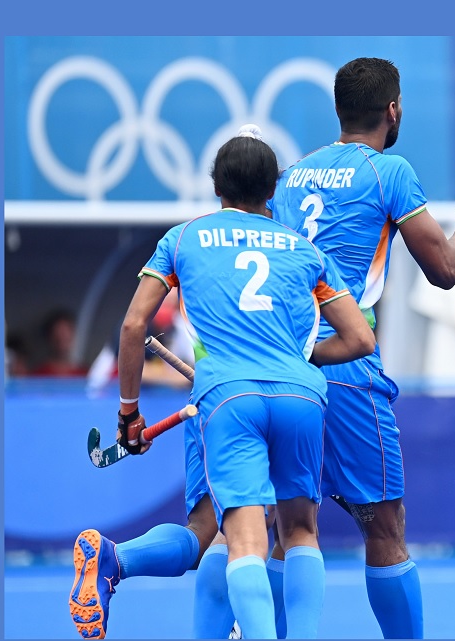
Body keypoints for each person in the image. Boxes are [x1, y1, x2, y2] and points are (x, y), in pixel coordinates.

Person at [191, 57, 455, 639]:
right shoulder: (388, 171)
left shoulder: (288, 176)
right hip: (345, 366)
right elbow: (444, 269)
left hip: (275, 366)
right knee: (385, 529)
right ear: (393, 111)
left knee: (259, 528)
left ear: (338, 112)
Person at [69, 128, 376, 639]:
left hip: (223, 402)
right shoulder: (303, 249)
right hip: (299, 394)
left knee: (231, 537)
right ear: (273, 191)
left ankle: (115, 560)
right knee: (297, 530)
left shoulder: (186, 237)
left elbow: (131, 326)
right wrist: (301, 357)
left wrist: (127, 412)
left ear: (216, 185)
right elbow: (361, 338)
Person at [33, 308, 88, 376]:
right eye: (57, 336)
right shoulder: (38, 375)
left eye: (65, 336)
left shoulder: (84, 374)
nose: (61, 340)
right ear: (49, 337)